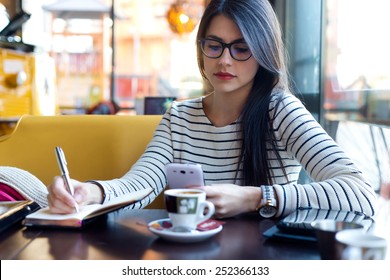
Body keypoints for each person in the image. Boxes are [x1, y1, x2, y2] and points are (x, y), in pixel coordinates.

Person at [47, 0, 377, 219]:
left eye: (241, 48)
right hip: (187, 257)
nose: (224, 60)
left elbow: (359, 193)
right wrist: (89, 191)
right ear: (201, 48)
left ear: (263, 52)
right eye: (214, 45)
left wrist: (254, 198)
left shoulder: (280, 110)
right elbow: (140, 185)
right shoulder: (179, 117)